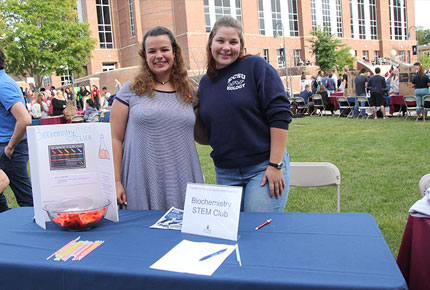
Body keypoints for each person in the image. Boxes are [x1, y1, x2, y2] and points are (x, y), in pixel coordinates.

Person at [197, 16, 292, 212]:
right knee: (230, 234)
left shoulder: (255, 67)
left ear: (241, 45)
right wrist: (192, 111)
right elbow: (207, 137)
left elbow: (280, 114)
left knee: (258, 233)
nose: (226, 47)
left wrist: (275, 165)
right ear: (211, 43)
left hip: (263, 166)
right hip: (225, 172)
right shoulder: (205, 83)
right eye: (220, 41)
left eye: (233, 42)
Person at [110, 26, 204, 210]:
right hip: (142, 178)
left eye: (164, 49)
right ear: (144, 56)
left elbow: (202, 135)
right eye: (151, 51)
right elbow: (114, 138)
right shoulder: (130, 90)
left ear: (174, 53)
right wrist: (115, 181)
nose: (158, 55)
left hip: (183, 177)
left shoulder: (189, 93)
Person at [0, 47, 33, 212]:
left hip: (9, 149)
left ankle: (38, 232)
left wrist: (10, 147)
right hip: (6, 146)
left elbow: (25, 119)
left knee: (26, 199)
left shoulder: (3, 85)